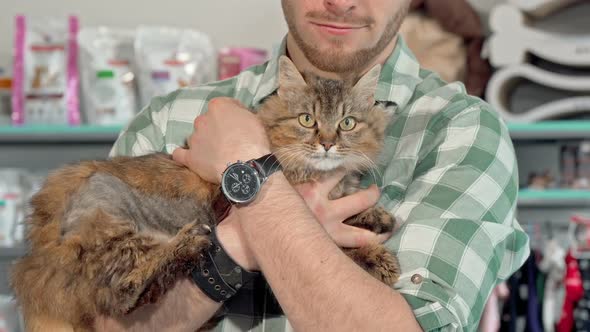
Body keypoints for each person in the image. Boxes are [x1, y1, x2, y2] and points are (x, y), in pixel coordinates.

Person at [98, 0, 530, 331]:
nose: (340, 1)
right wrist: (233, 247)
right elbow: (93, 322)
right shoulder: (167, 121)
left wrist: (251, 178)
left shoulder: (463, 131)